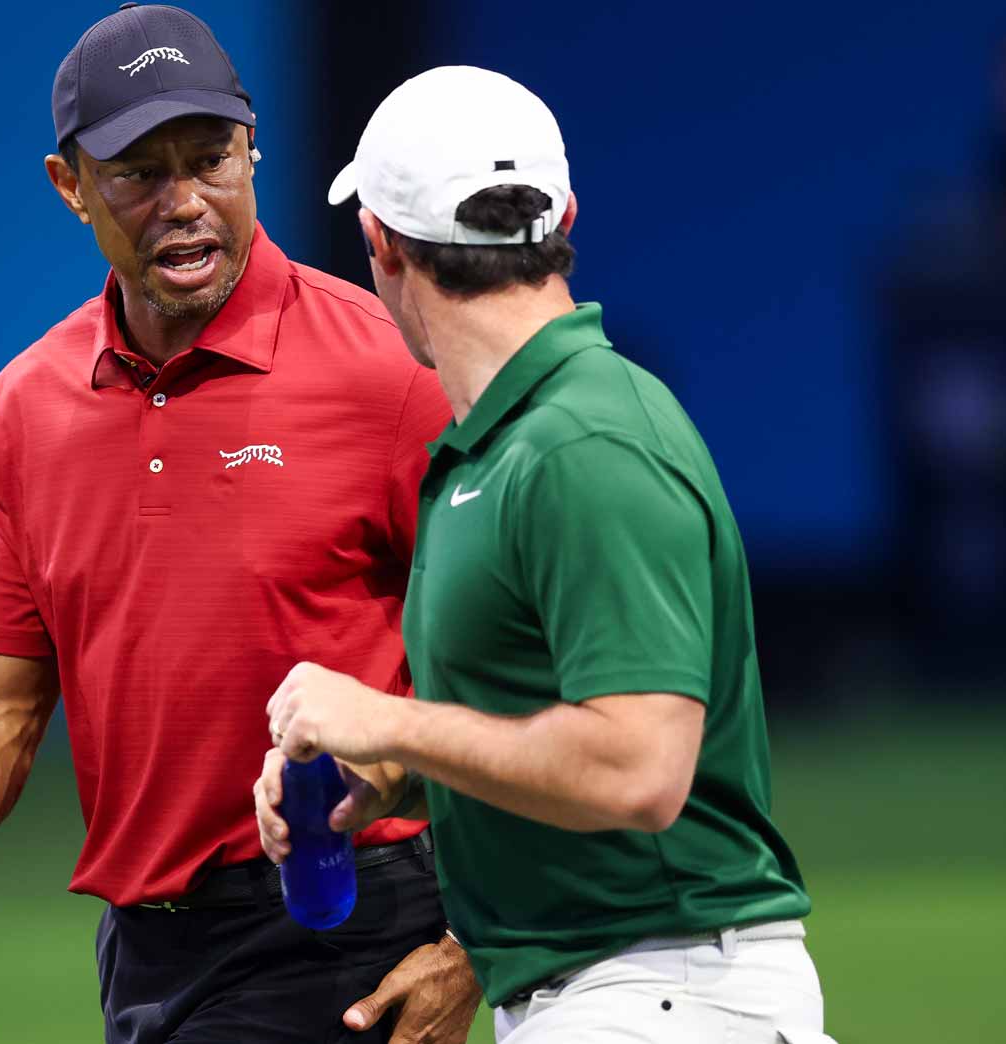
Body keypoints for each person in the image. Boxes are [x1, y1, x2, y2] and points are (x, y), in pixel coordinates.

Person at [0, 7, 477, 1044]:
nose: (185, 203)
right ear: (71, 189)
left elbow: (522, 675)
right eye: (139, 174)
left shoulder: (388, 372)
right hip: (144, 953)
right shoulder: (28, 407)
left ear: (254, 151)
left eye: (210, 160)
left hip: (345, 929)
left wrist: (480, 940)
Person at [254, 66, 834, 1043]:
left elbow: (638, 770)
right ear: (562, 213)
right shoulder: (505, 442)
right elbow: (544, 727)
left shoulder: (581, 443)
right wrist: (388, 776)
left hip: (662, 995)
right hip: (626, 997)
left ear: (381, 244)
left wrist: (392, 723)